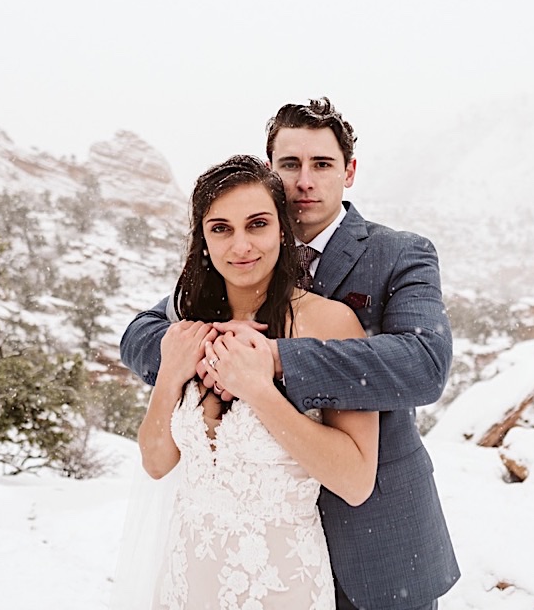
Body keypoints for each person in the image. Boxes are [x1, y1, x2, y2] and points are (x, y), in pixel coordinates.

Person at [122, 98, 460, 610]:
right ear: (271, 172)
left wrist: (274, 359)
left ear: (348, 172)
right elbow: (141, 335)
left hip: (375, 544)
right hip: (226, 551)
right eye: (290, 165)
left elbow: (425, 365)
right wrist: (211, 343)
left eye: (322, 165)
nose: (305, 181)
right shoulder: (230, 261)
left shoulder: (398, 254)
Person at [137, 154, 377, 609]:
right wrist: (171, 373)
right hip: (186, 581)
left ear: (283, 231)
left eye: (257, 224)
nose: (240, 245)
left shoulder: (330, 323)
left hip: (280, 588)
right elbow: (156, 462)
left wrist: (258, 390)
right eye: (221, 228)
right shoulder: (192, 328)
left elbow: (355, 480)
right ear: (203, 240)